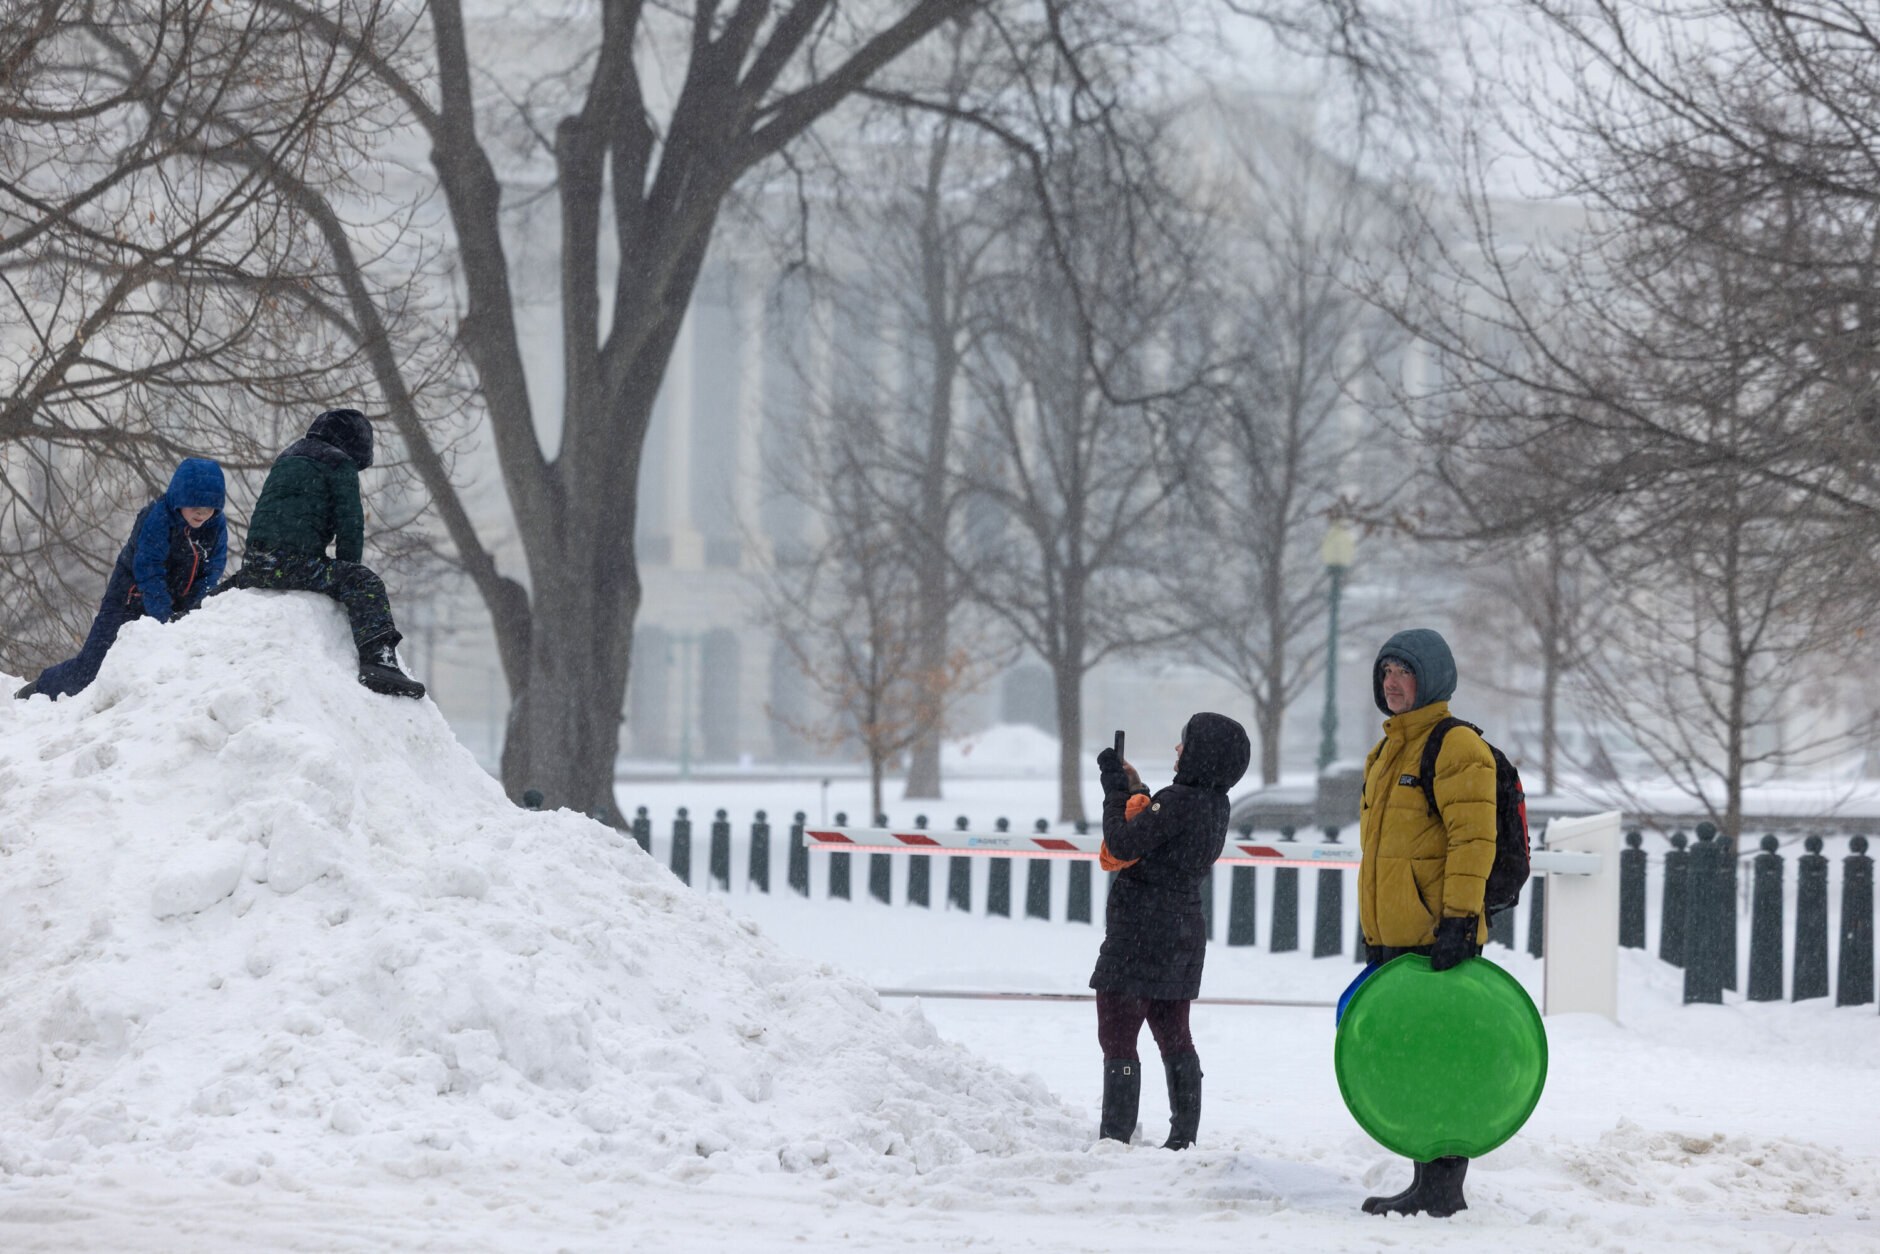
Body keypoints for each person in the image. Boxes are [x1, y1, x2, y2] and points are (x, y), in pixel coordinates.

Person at [1356, 627, 1496, 1218]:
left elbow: (1473, 840)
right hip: (1394, 935)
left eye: (1404, 671)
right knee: (1406, 1061)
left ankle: (1442, 1188)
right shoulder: (1388, 749)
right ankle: (1425, 1182)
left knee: (1441, 1062)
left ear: (1431, 677)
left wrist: (1459, 921)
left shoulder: (1456, 746)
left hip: (1437, 935)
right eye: (1386, 671)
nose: (1391, 682)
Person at [1090, 712, 1250, 1150]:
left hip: (1142, 930)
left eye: (1186, 744)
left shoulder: (1179, 800)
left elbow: (1123, 844)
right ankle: (1184, 1137)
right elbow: (1157, 834)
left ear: (1205, 754)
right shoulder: (1215, 803)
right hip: (1182, 932)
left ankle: (1115, 1136)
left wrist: (1114, 792)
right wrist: (1140, 791)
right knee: (1173, 1031)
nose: (1178, 750)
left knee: (1118, 1031)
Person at [219, 407, 424, 698]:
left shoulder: (288, 456)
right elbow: (351, 526)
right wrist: (347, 576)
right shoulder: (339, 464)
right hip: (293, 565)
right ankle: (379, 663)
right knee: (366, 583)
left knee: (238, 583)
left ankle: (190, 615)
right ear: (355, 447)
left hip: (256, 563)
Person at [17, 458, 227, 700]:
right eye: (196, 508)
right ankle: (33, 694)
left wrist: (194, 609)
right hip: (128, 599)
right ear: (180, 499)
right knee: (90, 671)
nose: (202, 515)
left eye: (209, 509)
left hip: (176, 602)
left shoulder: (216, 526)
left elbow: (213, 569)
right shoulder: (158, 519)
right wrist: (165, 617)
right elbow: (148, 569)